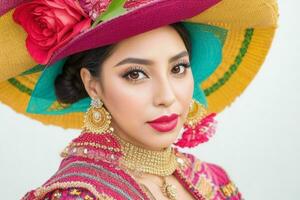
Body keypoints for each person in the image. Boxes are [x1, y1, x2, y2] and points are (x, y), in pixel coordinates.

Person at [0, 0, 278, 199]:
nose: (167, 97)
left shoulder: (212, 181)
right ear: (93, 85)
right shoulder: (76, 195)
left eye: (178, 68)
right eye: (135, 74)